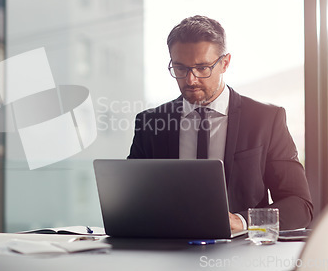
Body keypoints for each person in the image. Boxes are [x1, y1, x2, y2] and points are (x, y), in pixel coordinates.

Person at [128, 15, 313, 231]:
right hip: (169, 254)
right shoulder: (150, 123)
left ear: (225, 63)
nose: (191, 79)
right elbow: (131, 201)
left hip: (242, 256)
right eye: (180, 69)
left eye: (202, 68)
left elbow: (300, 206)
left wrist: (242, 221)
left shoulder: (266, 119)